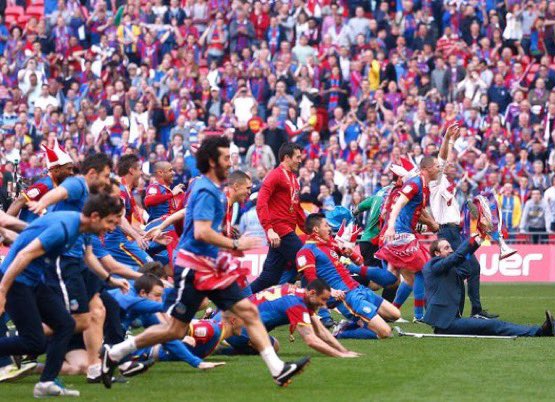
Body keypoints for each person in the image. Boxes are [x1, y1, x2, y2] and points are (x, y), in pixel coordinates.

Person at [100, 137, 310, 388]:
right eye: (224, 158)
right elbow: (200, 231)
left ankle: (278, 370)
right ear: (212, 161)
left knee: (248, 312)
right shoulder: (205, 190)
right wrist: (234, 245)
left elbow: (197, 222)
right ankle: (114, 353)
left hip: (211, 267)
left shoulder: (214, 190)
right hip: (194, 268)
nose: (229, 162)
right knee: (175, 330)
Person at [0, 193, 124, 397]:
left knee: (66, 324)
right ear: (94, 216)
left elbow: (30, 234)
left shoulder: (76, 227)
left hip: (34, 281)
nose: (111, 228)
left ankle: (46, 383)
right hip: (17, 282)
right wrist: (3, 291)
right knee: (34, 342)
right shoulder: (65, 227)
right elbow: (24, 255)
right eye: (110, 222)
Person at [25, 153, 122, 383]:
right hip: (63, 259)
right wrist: (41, 203)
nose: (108, 181)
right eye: (106, 176)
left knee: (98, 311)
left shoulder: (89, 210)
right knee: (78, 320)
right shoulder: (78, 183)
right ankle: (21, 339)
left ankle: (94, 368)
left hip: (77, 259)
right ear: (92, 174)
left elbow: (89, 254)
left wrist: (109, 279)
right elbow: (60, 191)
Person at [423, 234, 555, 337]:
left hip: (450, 321)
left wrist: (475, 244)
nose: (451, 249)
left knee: (495, 324)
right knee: (493, 325)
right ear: (437, 253)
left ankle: (546, 328)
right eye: (446, 248)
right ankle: (541, 331)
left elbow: (465, 265)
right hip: (445, 324)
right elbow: (456, 257)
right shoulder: (433, 265)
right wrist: (473, 239)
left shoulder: (448, 268)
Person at [429, 124, 496, 319]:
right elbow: (442, 158)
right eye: (441, 165)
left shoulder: (446, 184)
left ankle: (463, 311)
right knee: (467, 269)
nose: (448, 164)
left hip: (453, 233)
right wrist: (448, 139)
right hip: (448, 234)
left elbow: (444, 159)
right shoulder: (435, 182)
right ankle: (465, 311)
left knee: (466, 269)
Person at [297, 213, 401, 339]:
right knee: (385, 332)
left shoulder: (330, 245)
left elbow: (359, 260)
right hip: (347, 296)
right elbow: (311, 280)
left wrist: (351, 254)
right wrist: (331, 291)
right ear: (316, 229)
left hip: (358, 288)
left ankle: (357, 323)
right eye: (326, 225)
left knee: (395, 314)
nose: (330, 228)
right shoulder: (306, 251)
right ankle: (341, 332)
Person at [218, 281, 360, 357]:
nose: (324, 305)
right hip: (238, 327)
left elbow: (321, 331)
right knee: (273, 346)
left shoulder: (296, 293)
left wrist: (344, 351)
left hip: (231, 317)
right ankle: (226, 349)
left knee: (271, 342)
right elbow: (310, 339)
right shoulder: (297, 304)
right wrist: (338, 355)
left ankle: (223, 340)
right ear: (311, 293)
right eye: (323, 300)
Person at [377, 156, 441, 321]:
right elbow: (398, 204)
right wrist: (391, 226)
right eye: (436, 166)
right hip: (399, 232)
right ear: (426, 169)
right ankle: (419, 316)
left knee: (407, 278)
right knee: (421, 269)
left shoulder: (424, 187)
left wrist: (430, 226)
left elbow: (414, 214)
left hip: (406, 232)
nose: (439, 168)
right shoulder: (414, 184)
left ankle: (391, 311)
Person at [251, 143, 307, 293]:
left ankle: (233, 305)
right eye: (297, 157)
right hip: (280, 230)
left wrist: (309, 230)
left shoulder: (294, 178)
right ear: (287, 158)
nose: (300, 160)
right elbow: (261, 202)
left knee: (268, 279)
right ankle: (321, 313)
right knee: (308, 262)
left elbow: (297, 209)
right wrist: (269, 229)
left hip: (285, 232)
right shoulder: (275, 175)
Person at [5, 144, 74, 224]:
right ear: (56, 170)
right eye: (68, 169)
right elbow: (20, 200)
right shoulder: (45, 185)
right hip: (30, 231)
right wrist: (4, 224)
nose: (71, 173)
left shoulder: (56, 184)